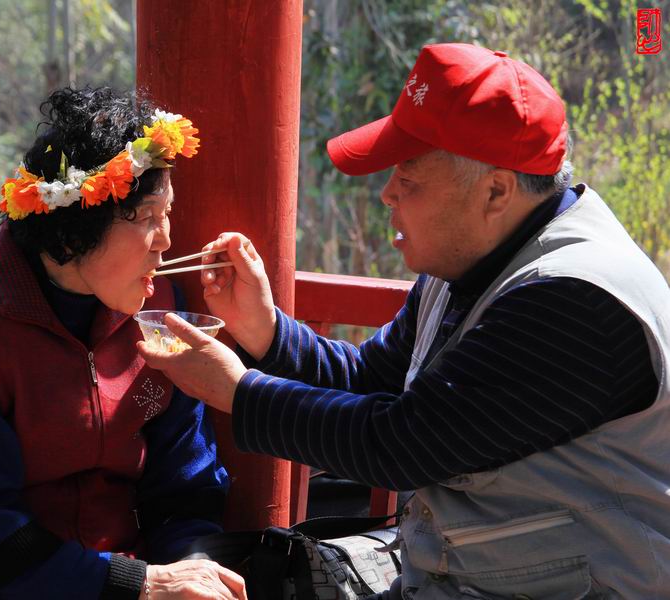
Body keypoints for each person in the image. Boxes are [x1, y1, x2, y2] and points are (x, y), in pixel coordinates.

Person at [139, 43, 670, 598]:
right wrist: (266, 331)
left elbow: (402, 442)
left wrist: (238, 391)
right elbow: (375, 379)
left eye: (409, 180)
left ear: (495, 191)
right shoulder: (472, 256)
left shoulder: (575, 299)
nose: (388, 194)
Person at [0, 86, 246, 600]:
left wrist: (192, 568)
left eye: (169, 215)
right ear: (71, 234)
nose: (166, 241)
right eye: (148, 219)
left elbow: (184, 490)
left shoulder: (158, 314)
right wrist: (146, 584)